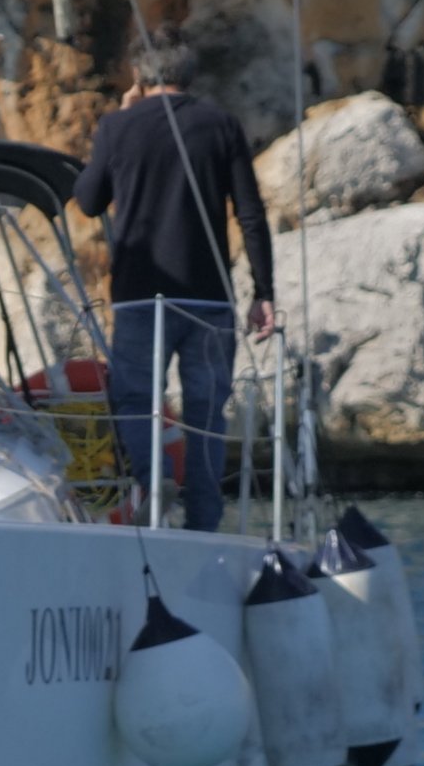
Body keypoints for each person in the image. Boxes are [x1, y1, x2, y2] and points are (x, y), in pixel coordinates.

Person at [72, 39, 277, 531]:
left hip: (141, 296)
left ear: (139, 78)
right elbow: (249, 214)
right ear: (190, 75)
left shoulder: (119, 126)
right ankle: (204, 519)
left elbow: (87, 200)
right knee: (206, 411)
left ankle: (154, 484)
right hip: (207, 299)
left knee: (137, 402)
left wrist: (121, 116)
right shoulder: (221, 124)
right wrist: (264, 293)